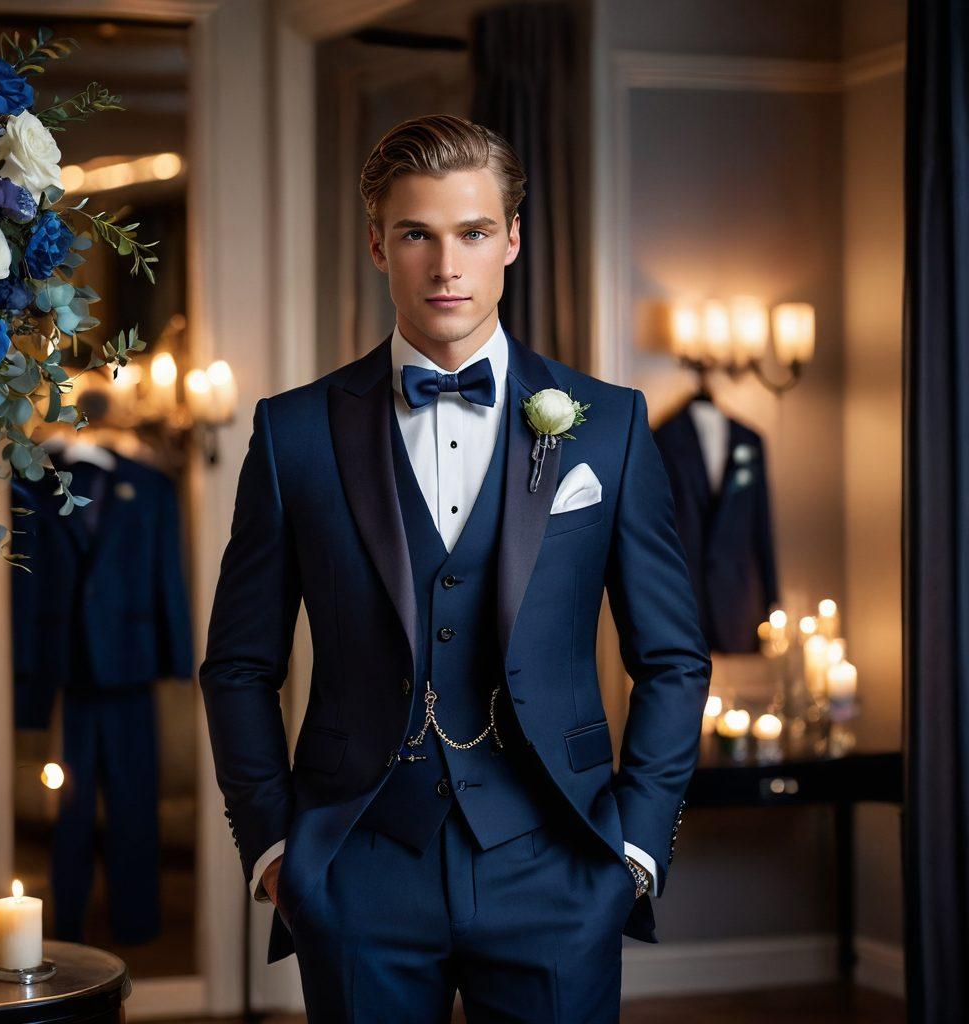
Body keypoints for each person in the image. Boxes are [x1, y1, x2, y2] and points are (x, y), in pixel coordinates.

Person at [198, 113, 711, 1023]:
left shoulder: (612, 423)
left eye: (473, 233)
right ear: (377, 244)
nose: (447, 266)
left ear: (511, 239)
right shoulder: (293, 434)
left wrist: (634, 848)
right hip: (360, 870)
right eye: (417, 235)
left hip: (558, 866)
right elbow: (240, 663)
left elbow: (672, 655)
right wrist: (274, 846)